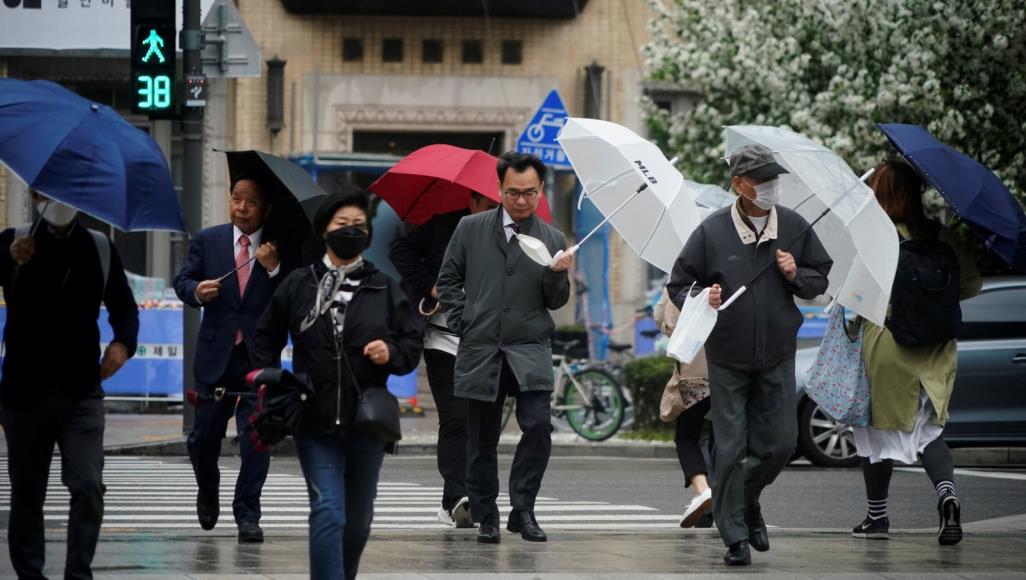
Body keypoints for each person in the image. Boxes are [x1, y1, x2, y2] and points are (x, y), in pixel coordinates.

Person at [667, 144, 832, 566]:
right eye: (762, 181)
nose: (771, 188)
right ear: (739, 185)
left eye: (774, 180)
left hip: (778, 352)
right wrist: (705, 296)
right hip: (727, 355)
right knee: (729, 445)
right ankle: (734, 536)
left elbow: (819, 278)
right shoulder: (712, 231)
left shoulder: (794, 226)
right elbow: (680, 284)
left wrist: (797, 274)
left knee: (780, 444)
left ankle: (745, 499)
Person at [255, 192, 422, 580]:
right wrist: (274, 383)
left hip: (368, 423)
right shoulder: (299, 284)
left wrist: (390, 352)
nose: (351, 231)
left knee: (359, 521)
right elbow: (265, 336)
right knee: (329, 509)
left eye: (359, 226)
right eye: (342, 224)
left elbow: (411, 344)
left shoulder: (385, 287)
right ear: (324, 230)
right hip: (313, 420)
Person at [437, 151, 573, 544]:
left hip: (528, 347)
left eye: (529, 193)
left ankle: (523, 509)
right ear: (499, 189)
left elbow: (555, 300)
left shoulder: (551, 238)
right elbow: (448, 279)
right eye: (513, 192)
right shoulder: (470, 228)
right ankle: (486, 513)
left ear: (540, 190)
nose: (521, 201)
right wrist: (465, 321)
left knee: (538, 427)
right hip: (481, 347)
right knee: (481, 436)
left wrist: (557, 275)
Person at [1, 191, 139, 579]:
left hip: (82, 390)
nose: (56, 201)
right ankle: (30, 573)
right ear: (32, 196)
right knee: (27, 492)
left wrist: (122, 343)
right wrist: (8, 258)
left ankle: (78, 572)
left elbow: (124, 307)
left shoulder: (99, 248)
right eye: (46, 193)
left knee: (88, 485)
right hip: (25, 393)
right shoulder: (15, 240)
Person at [849, 159, 980, 545]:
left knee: (874, 434)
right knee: (929, 434)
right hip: (937, 349)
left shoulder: (877, 237)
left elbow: (856, 297)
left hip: (889, 347)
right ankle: (948, 496)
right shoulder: (941, 236)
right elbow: (971, 285)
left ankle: (877, 518)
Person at [173, 174, 294, 543]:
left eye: (251, 201)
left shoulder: (281, 247)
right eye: (236, 199)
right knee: (201, 439)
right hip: (215, 358)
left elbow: (294, 294)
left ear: (267, 208)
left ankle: (248, 514)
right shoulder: (208, 240)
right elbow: (183, 280)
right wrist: (196, 291)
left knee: (256, 440)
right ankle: (208, 489)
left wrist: (273, 269)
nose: (241, 208)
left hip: (258, 358)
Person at [389, 191, 499, 528]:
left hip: (488, 342)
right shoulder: (442, 226)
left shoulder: (517, 237)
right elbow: (399, 250)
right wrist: (430, 286)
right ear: (472, 203)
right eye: (489, 205)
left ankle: (451, 499)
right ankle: (458, 498)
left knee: (479, 422)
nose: (496, 213)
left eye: (501, 206)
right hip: (443, 337)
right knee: (455, 416)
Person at [653, 289, 714, 529]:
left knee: (687, 436)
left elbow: (663, 318)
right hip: (728, 371)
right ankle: (719, 496)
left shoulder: (680, 277)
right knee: (720, 437)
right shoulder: (729, 271)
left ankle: (704, 490)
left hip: (693, 371)